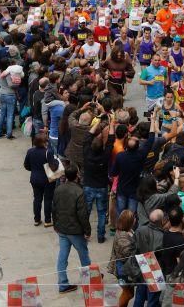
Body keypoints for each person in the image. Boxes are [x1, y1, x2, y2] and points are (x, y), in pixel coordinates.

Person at [52, 164, 91, 295]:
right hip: (75, 231)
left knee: (62, 256)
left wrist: (55, 225)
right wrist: (87, 231)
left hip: (62, 228)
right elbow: (83, 214)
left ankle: (63, 283)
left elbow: (54, 208)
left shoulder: (58, 189)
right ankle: (89, 280)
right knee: (84, 255)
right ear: (77, 176)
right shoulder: (79, 192)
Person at [111, 113, 156, 216]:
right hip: (134, 190)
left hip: (122, 189)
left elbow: (114, 172)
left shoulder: (120, 156)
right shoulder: (141, 155)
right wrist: (153, 120)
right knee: (131, 214)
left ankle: (120, 228)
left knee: (120, 213)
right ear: (138, 147)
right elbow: (151, 139)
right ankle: (130, 228)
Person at [83, 115, 115, 243]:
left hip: (88, 186)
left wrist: (98, 121)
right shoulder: (105, 156)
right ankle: (100, 236)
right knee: (102, 213)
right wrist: (111, 124)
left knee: (86, 212)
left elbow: (88, 136)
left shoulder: (86, 152)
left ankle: (86, 234)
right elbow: (111, 140)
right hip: (101, 187)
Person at [23, 133, 58, 227]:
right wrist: (57, 162)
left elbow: (26, 165)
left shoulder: (30, 151)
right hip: (47, 179)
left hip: (35, 178)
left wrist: (34, 170)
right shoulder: (48, 152)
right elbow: (53, 168)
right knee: (48, 199)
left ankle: (37, 219)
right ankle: (47, 220)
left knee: (37, 199)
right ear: (43, 142)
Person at [107, 210, 136, 307]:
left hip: (124, 269)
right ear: (129, 222)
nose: (135, 219)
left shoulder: (127, 231)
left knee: (129, 293)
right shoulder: (122, 238)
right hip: (123, 271)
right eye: (133, 218)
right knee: (128, 293)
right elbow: (128, 254)